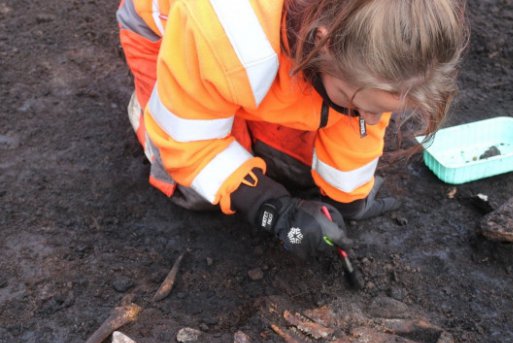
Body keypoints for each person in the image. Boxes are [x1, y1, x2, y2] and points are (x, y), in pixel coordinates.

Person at [116, 0, 468, 260]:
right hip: (175, 37)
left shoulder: (384, 29)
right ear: (324, 42)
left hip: (266, 61)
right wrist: (273, 209)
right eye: (361, 106)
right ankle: (156, 108)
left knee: (295, 171)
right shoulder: (229, 27)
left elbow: (357, 120)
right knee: (198, 190)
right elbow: (190, 145)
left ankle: (244, 102)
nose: (372, 121)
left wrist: (346, 199)